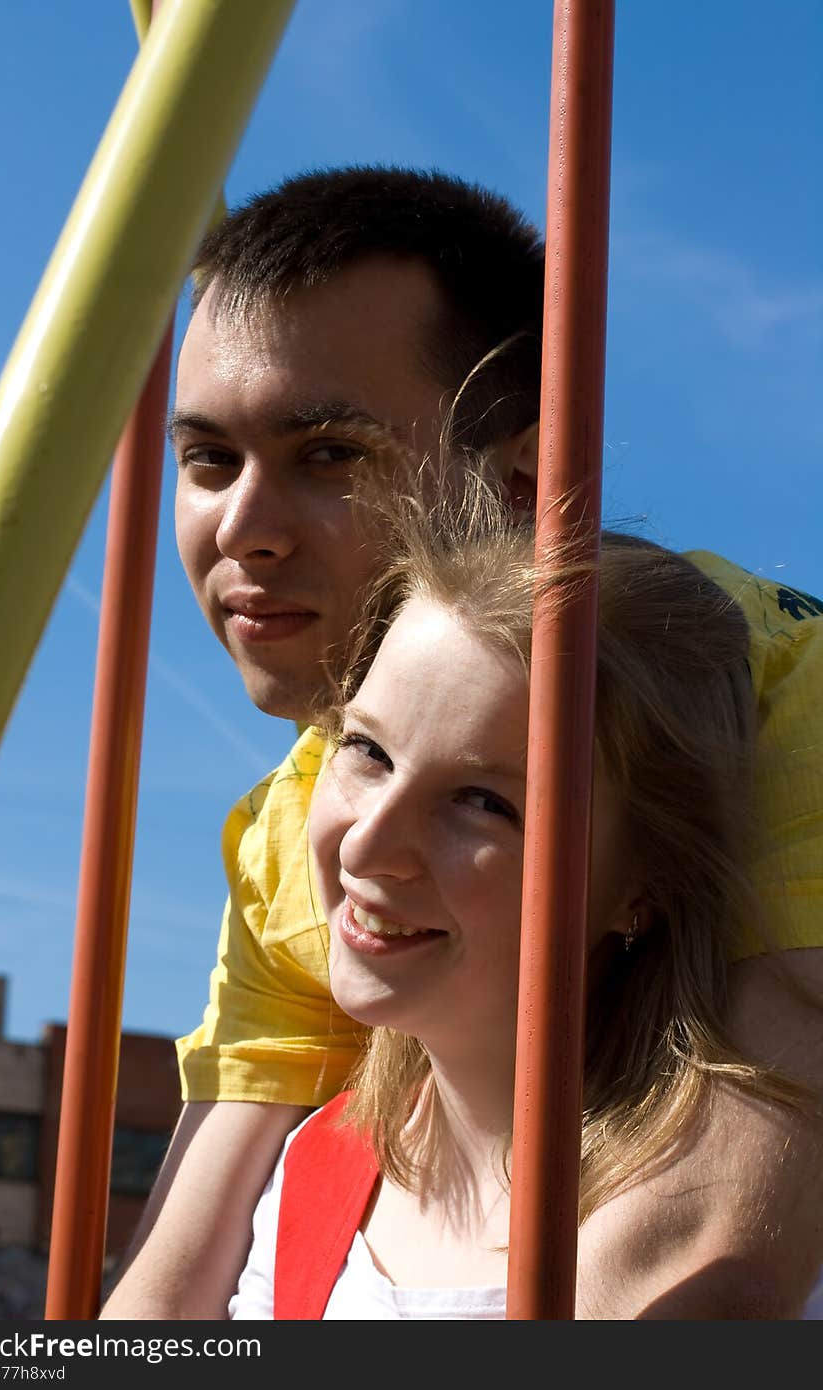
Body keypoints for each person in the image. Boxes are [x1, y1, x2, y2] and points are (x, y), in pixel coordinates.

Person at [99, 167, 823, 1320]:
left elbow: (703, 1266)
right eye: (207, 460)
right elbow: (167, 1290)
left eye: (327, 452)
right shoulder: (296, 811)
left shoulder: (778, 683)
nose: (240, 527)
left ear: (528, 471)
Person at [225, 478, 823, 1319]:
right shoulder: (306, 1176)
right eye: (366, 750)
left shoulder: (776, 1249)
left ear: (642, 885)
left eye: (484, 802)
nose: (367, 845)